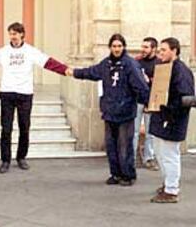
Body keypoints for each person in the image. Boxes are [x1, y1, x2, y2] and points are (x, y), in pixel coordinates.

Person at [0, 22, 69, 174]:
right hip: (7, 94)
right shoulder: (3, 52)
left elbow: (48, 62)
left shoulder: (31, 51)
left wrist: (65, 70)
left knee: (24, 128)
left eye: (16, 33)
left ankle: (21, 157)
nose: (13, 36)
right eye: (11, 33)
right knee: (6, 129)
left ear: (22, 34)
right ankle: (5, 160)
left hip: (25, 94)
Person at [67, 34, 149, 186]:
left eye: (119, 46)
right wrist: (74, 72)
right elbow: (91, 72)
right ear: (110, 47)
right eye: (114, 46)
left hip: (125, 112)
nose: (116, 49)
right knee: (111, 146)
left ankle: (128, 175)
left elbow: (141, 86)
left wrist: (147, 103)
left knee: (124, 146)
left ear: (123, 47)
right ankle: (115, 174)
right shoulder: (106, 64)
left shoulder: (130, 65)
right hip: (109, 111)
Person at [149, 37, 195, 203]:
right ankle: (168, 183)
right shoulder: (166, 68)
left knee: (169, 155)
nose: (160, 53)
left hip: (172, 120)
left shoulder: (181, 71)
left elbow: (187, 98)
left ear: (174, 51)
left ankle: (171, 190)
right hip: (162, 117)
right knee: (160, 152)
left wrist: (169, 111)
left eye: (163, 50)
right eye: (159, 50)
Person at [133, 37, 160, 170]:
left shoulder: (160, 63)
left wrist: (148, 80)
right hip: (137, 100)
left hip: (152, 101)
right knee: (134, 131)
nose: (142, 50)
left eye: (146, 47)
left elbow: (161, 83)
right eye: (142, 46)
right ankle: (131, 159)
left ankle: (149, 158)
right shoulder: (136, 62)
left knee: (151, 132)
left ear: (153, 49)